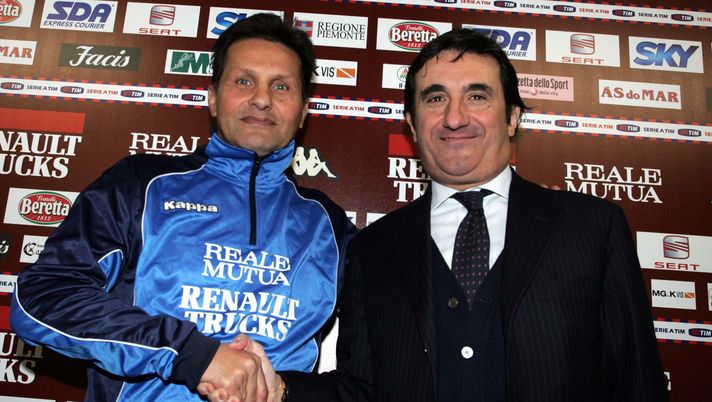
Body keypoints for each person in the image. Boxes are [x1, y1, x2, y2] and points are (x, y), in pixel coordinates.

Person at [213, 28, 669, 402]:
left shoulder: (591, 228)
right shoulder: (373, 249)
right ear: (412, 125)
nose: (455, 118)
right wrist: (280, 390)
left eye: (477, 96)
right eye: (434, 99)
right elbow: (360, 390)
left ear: (513, 117)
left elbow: (637, 383)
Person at [10, 13, 354, 402]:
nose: (262, 99)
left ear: (304, 110)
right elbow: (41, 298)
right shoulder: (140, 184)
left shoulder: (329, 225)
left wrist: (287, 391)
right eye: (244, 81)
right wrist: (191, 354)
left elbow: (381, 356)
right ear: (213, 98)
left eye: (281, 86)